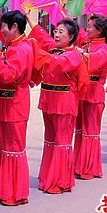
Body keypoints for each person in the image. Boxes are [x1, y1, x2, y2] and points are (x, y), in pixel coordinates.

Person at [29, 18, 85, 194]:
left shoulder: (75, 54)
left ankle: (60, 181)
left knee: (62, 141)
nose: (57, 34)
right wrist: (27, 16)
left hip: (65, 101)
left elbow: (58, 63)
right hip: (49, 99)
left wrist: (35, 49)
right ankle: (47, 177)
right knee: (50, 140)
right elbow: (39, 33)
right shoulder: (52, 48)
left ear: (72, 36)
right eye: (56, 31)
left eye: (61, 32)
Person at [0, 10, 34, 205]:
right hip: (4, 102)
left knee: (13, 148)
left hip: (15, 104)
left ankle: (14, 193)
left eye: (4, 26)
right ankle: (3, 187)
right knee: (2, 146)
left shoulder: (20, 49)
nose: (1, 31)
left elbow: (8, 75)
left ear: (14, 27)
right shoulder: (12, 44)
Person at [75, 15, 107, 180]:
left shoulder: (103, 48)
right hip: (82, 90)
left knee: (90, 130)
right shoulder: (87, 43)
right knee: (80, 128)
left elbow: (92, 61)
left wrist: (79, 53)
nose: (87, 29)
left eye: (90, 27)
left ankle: (89, 167)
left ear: (100, 30)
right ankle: (78, 163)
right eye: (87, 26)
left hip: (94, 92)